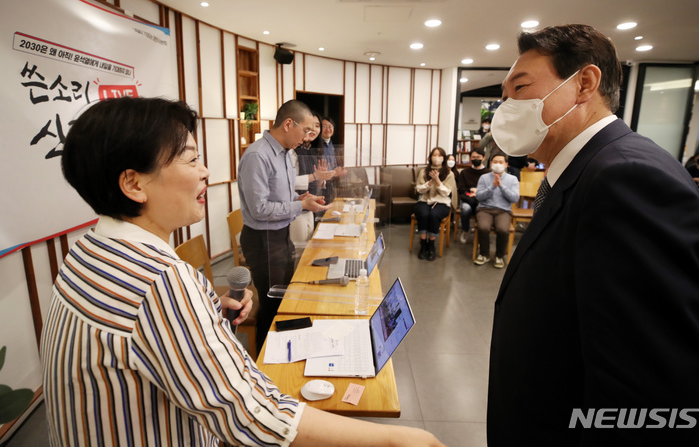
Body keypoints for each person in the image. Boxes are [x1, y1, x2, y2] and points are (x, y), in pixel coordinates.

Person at [41, 96, 445, 447]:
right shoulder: (160, 281)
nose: (205, 172)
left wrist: (204, 305)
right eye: (191, 158)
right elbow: (249, 413)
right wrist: (398, 437)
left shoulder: (86, 254)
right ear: (133, 183)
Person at [487, 24, 699, 446]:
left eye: (519, 88)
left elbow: (649, 399)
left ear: (584, 84)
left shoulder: (628, 179)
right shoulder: (576, 172)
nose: (507, 106)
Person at [238, 100, 328, 349]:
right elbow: (260, 209)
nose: (308, 138)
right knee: (272, 303)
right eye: (306, 131)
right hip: (262, 240)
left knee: (285, 297)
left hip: (280, 234)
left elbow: (280, 198)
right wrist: (300, 206)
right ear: (289, 124)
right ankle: (265, 363)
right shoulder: (258, 155)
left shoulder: (286, 154)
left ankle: (282, 351)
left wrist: (300, 199)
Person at [290, 111, 333, 245]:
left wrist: (321, 178)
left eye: (317, 126)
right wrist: (314, 176)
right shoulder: (292, 150)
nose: (314, 130)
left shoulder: (312, 150)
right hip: (296, 209)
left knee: (310, 248)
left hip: (309, 208)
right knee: (299, 252)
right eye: (310, 126)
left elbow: (317, 185)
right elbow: (288, 182)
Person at [472, 153, 518, 269]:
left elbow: (514, 198)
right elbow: (479, 197)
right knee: (483, 227)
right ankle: (484, 254)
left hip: (503, 210)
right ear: (491, 163)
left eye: (501, 162)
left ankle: (499, 256)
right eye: (495, 162)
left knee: (503, 229)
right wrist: (492, 187)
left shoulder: (512, 179)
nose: (498, 164)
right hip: (485, 209)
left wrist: (501, 186)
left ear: (506, 164)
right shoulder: (484, 177)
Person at [414, 147, 457, 261]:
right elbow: (419, 189)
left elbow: (447, 192)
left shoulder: (449, 173)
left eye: (440, 156)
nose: (437, 158)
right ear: (430, 157)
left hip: (441, 202)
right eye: (434, 155)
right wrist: (430, 182)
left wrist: (437, 181)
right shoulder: (423, 171)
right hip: (425, 200)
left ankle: (431, 245)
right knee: (423, 213)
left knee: (434, 214)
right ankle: (423, 244)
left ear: (444, 158)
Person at [456, 147, 490, 243]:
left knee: (480, 210)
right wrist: (471, 191)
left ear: (483, 158)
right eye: (473, 157)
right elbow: (461, 188)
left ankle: (480, 234)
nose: (475, 159)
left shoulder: (488, 173)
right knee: (466, 209)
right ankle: (465, 230)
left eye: (478, 157)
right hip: (468, 198)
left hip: (481, 199)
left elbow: (490, 189)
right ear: (470, 158)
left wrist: (478, 191)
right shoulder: (464, 172)